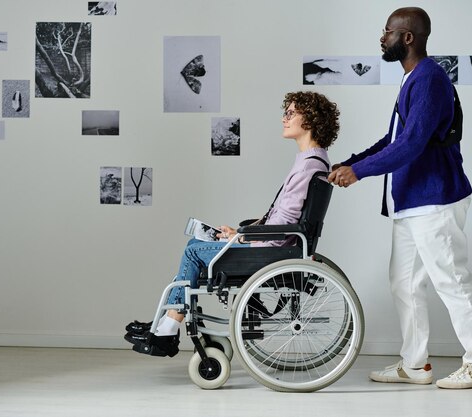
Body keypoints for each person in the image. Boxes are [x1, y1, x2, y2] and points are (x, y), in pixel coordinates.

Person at [328, 7, 472, 389]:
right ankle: (415, 364)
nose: (381, 37)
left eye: (387, 32)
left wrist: (360, 172)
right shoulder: (412, 80)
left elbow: (413, 143)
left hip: (435, 198)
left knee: (451, 279)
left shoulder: (430, 79)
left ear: (407, 38)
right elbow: (393, 140)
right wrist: (351, 162)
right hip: (412, 202)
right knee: (404, 283)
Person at [125, 91, 340, 357]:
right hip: (274, 244)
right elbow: (282, 216)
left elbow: (284, 221)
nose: (284, 119)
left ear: (309, 120)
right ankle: (166, 324)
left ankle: (167, 329)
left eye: (290, 113)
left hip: (272, 251)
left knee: (193, 251)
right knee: (197, 244)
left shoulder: (309, 165)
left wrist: (244, 239)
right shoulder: (312, 160)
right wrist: (238, 233)